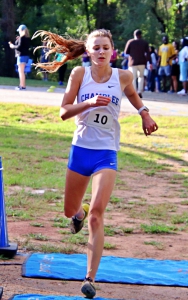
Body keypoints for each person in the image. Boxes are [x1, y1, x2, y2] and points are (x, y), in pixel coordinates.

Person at [33, 28, 158, 299]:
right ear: (88, 51)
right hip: (81, 151)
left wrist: (144, 115)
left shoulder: (122, 76)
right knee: (70, 211)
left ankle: (89, 277)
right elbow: (64, 111)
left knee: (98, 215)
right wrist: (87, 102)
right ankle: (79, 213)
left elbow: (135, 97)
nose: (101, 51)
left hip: (106, 154)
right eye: (96, 47)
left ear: (112, 51)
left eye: (105, 47)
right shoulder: (80, 74)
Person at [124, 29, 152, 98]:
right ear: (141, 35)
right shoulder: (144, 42)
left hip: (133, 62)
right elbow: (148, 53)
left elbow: (126, 52)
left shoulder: (130, 42)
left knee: (133, 78)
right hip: (142, 62)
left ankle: (134, 92)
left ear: (134, 35)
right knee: (141, 77)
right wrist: (149, 62)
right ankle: (140, 91)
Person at [9, 24, 31, 90]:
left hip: (21, 56)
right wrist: (18, 40)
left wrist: (12, 46)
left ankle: (22, 86)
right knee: (21, 71)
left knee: (21, 71)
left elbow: (19, 47)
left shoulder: (22, 38)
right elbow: (23, 45)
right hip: (26, 56)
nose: (19, 32)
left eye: (19, 31)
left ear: (22, 30)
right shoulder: (27, 38)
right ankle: (21, 85)